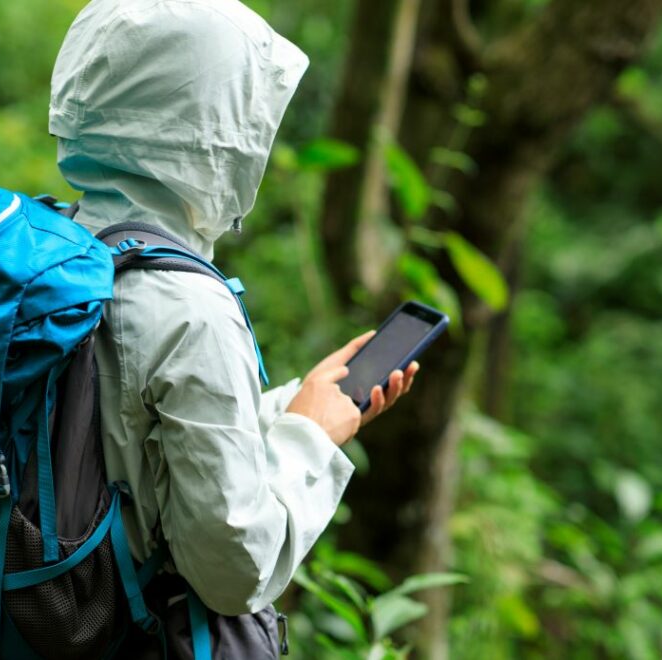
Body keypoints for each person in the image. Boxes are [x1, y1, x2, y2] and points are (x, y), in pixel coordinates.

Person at [48, 0, 419, 656]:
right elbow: (233, 568)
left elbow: (126, 436)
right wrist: (309, 439)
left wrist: (297, 404)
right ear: (207, 124)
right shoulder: (187, 308)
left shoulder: (57, 251)